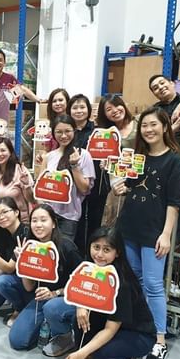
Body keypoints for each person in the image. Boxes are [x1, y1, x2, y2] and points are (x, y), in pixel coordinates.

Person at [113, 106, 180, 359]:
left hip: (154, 233)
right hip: (129, 228)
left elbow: (175, 203)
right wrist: (119, 186)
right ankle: (141, 328)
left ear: (165, 127)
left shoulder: (174, 161)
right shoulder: (138, 158)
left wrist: (166, 235)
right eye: (144, 125)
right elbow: (128, 189)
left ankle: (159, 339)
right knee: (136, 280)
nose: (149, 130)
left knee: (154, 285)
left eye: (154, 124)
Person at [64, 227, 156, 359]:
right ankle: (90, 358)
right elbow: (79, 292)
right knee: (78, 319)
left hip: (136, 332)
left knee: (104, 354)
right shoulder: (88, 269)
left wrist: (82, 352)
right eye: (96, 247)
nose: (99, 254)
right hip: (108, 322)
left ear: (117, 252)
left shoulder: (122, 283)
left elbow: (110, 330)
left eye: (107, 250)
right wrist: (80, 306)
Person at [9, 204, 82, 350]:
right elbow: (28, 287)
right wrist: (22, 264)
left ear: (54, 223)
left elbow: (80, 285)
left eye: (43, 220)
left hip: (65, 298)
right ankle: (45, 325)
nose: (38, 225)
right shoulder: (31, 246)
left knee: (52, 307)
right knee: (17, 341)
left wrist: (55, 293)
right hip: (41, 299)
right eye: (34, 221)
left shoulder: (67, 247)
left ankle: (66, 334)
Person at [35, 115, 95, 240]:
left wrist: (74, 165)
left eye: (67, 131)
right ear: (53, 133)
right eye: (59, 132)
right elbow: (39, 189)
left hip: (69, 217)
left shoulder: (83, 155)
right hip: (48, 215)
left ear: (74, 131)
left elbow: (84, 189)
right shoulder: (49, 156)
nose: (63, 136)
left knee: (63, 254)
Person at [68, 94, 104, 253]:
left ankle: (92, 255)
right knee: (77, 219)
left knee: (95, 219)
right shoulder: (68, 132)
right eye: (75, 107)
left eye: (82, 107)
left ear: (89, 110)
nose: (78, 111)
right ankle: (77, 254)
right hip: (72, 184)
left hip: (95, 183)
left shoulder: (98, 132)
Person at [97, 94, 138, 227]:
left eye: (117, 105)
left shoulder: (139, 121)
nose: (114, 110)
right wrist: (105, 163)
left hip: (140, 176)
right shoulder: (106, 132)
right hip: (117, 180)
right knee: (114, 222)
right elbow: (106, 155)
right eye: (108, 109)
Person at [0, 48, 40, 121]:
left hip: (2, 124)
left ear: (4, 62)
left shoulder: (9, 78)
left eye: (0, 60)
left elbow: (23, 90)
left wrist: (39, 100)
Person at [0, 137, 34, 224]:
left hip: (20, 221)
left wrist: (27, 185)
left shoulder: (20, 170)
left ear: (10, 152)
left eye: (3, 150)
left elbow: (31, 199)